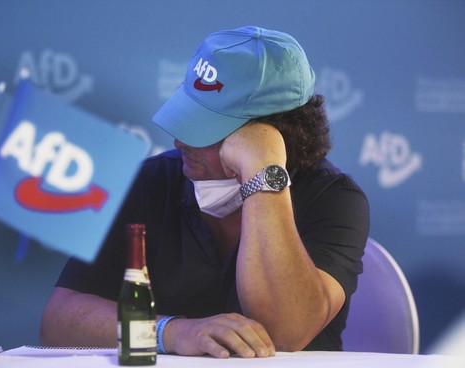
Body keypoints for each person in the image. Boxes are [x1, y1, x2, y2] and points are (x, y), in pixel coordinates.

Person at [40, 26, 370, 358]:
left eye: (205, 126)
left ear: (271, 133)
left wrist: (263, 172)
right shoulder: (151, 180)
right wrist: (170, 331)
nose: (180, 140)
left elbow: (285, 333)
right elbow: (58, 323)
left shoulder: (334, 198)